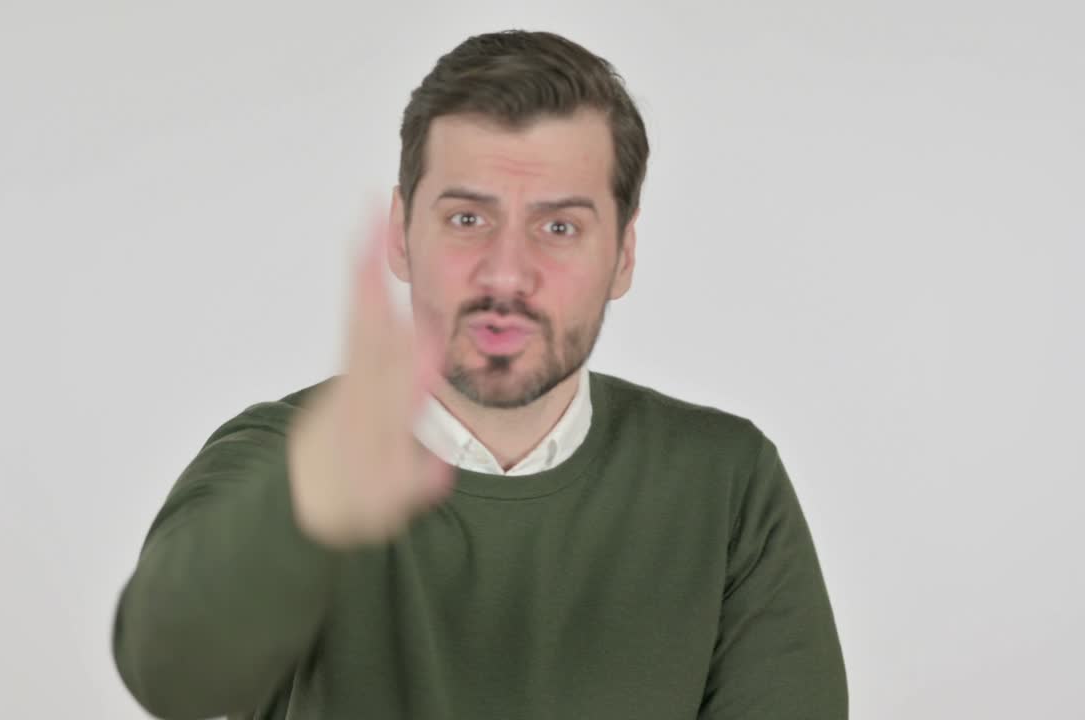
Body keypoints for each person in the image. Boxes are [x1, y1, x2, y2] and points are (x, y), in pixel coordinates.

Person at [112, 29, 847, 720]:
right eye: (468, 218)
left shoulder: (725, 480)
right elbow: (172, 673)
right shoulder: (285, 455)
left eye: (560, 227)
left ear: (622, 256)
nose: (507, 272)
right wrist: (306, 504)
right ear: (402, 235)